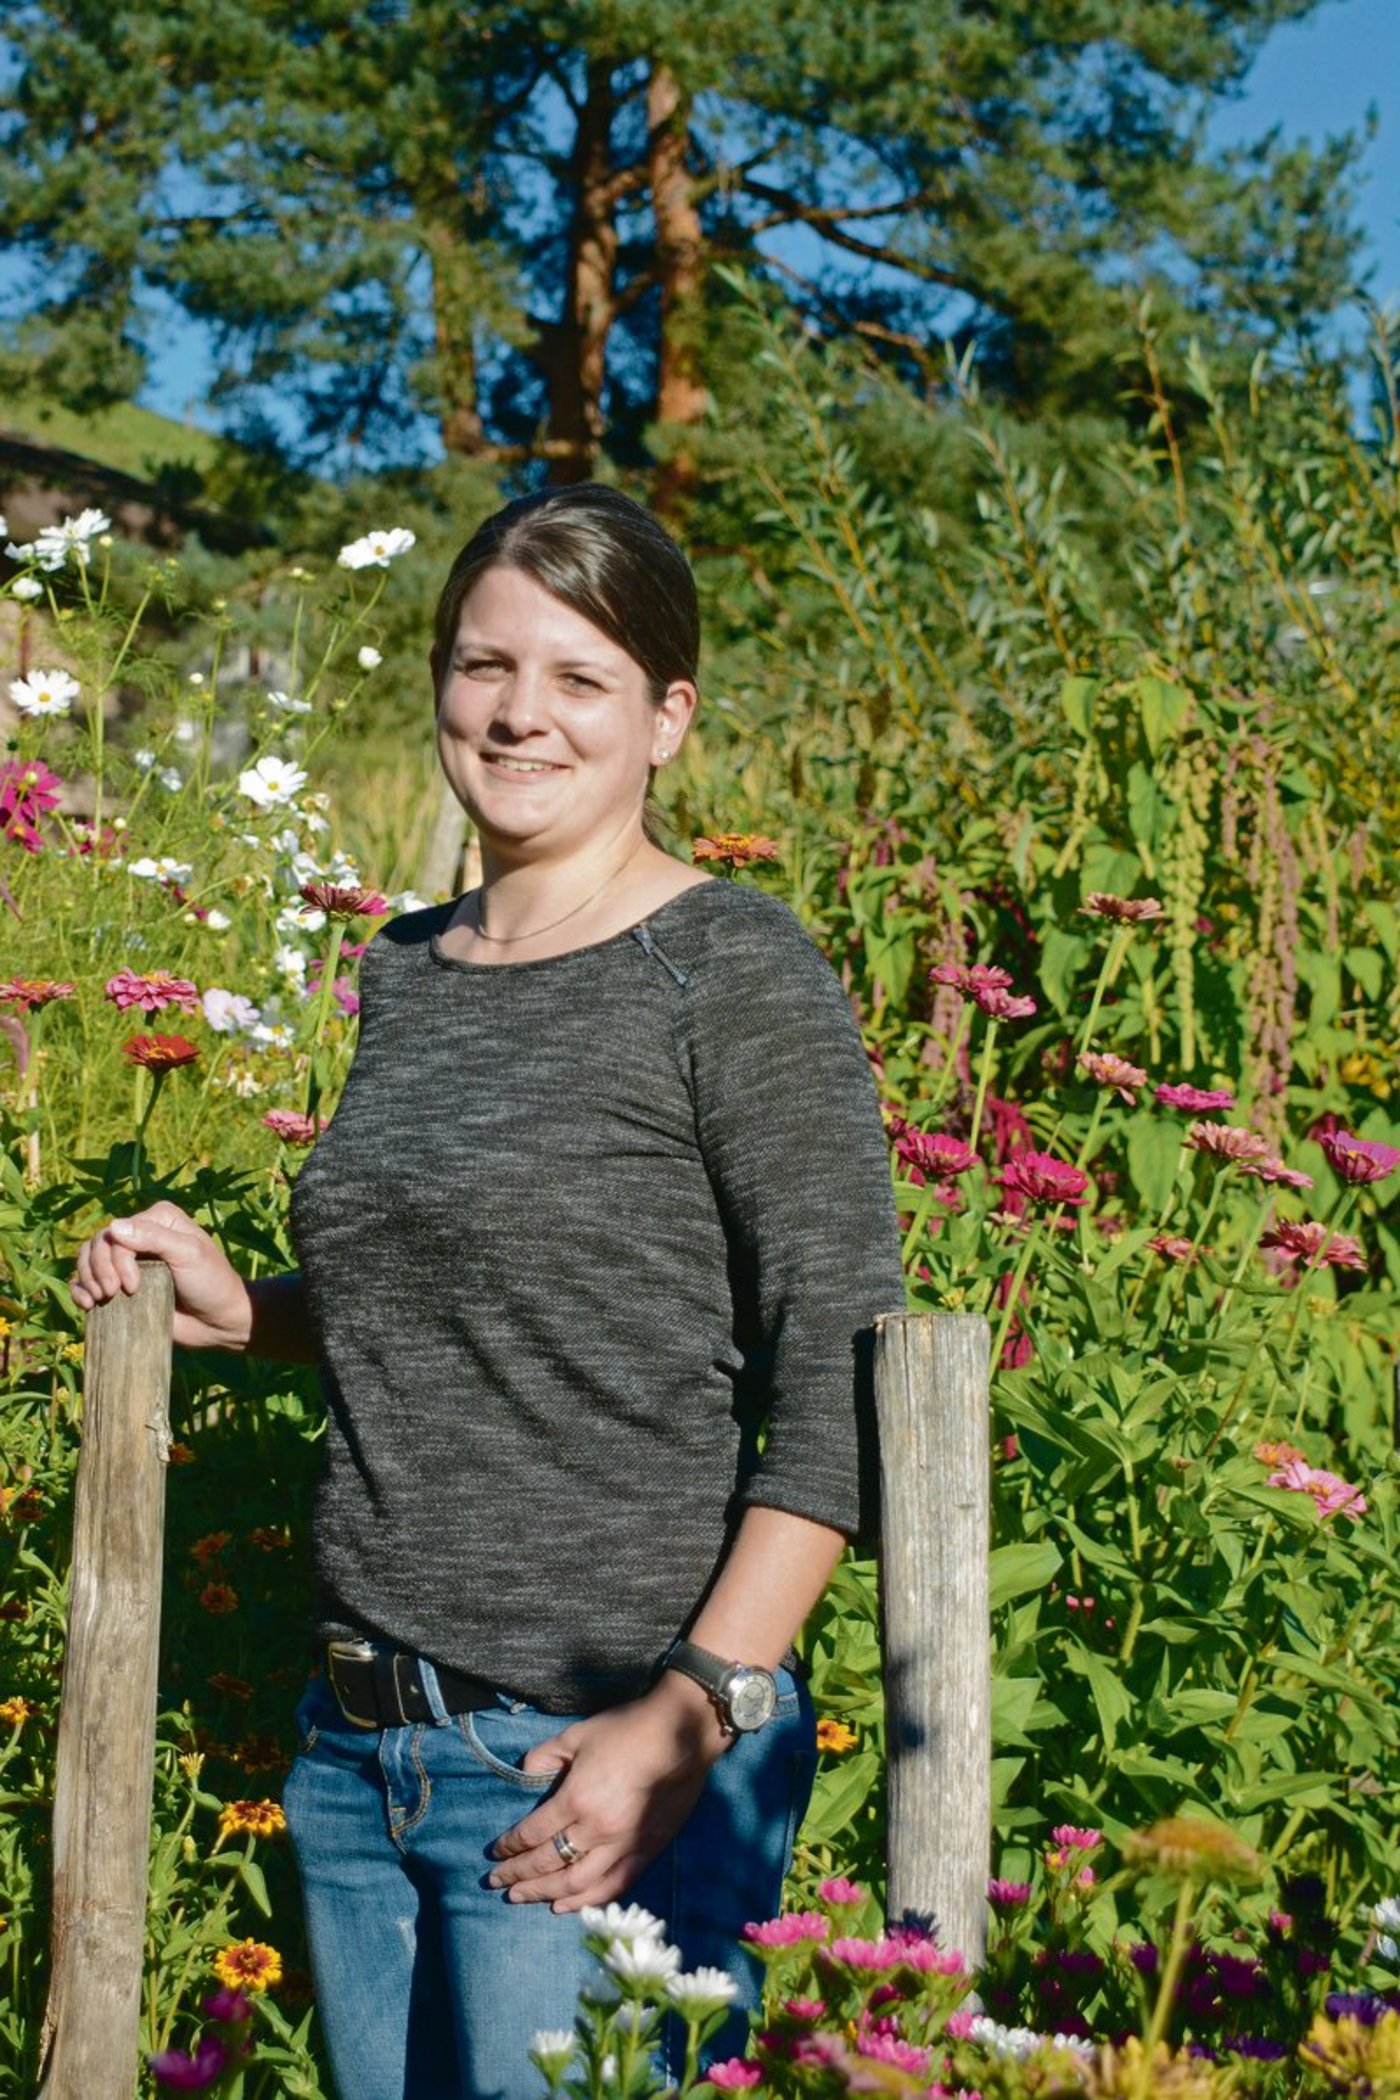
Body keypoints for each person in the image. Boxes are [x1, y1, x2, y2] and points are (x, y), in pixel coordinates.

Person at [71, 485, 906, 2100]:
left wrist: (692, 1716)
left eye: (578, 679)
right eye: (481, 666)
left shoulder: (729, 970)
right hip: (354, 1755)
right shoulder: (404, 966)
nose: (518, 713)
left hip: (589, 1758)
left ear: (667, 717)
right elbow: (471, 1294)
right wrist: (249, 1306)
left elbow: (842, 1377)